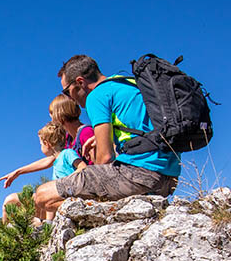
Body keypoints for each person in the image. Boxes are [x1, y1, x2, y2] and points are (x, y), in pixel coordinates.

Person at [34, 55, 180, 221]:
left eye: (67, 91)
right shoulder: (127, 83)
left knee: (43, 195)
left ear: (80, 82)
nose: (69, 97)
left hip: (142, 175)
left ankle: (110, 212)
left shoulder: (97, 95)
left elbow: (105, 157)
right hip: (170, 177)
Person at [0, 121, 84, 222]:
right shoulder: (57, 160)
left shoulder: (68, 153)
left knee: (47, 193)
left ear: (46, 144)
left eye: (40, 144)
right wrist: (17, 172)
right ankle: (49, 223)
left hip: (69, 193)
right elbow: (45, 162)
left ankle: (49, 223)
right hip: (61, 194)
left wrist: (64, 181)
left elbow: (83, 168)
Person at [49, 94, 94, 164]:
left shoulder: (86, 132)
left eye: (52, 113)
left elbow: (98, 163)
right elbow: (54, 158)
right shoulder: (68, 138)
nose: (51, 118)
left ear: (59, 113)